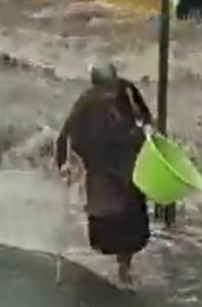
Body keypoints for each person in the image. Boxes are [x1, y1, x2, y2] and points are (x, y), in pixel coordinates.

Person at [54, 62, 154, 285]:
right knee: (111, 214)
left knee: (127, 214)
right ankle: (116, 263)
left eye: (110, 89)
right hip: (104, 163)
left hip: (124, 161)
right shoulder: (87, 103)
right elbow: (65, 136)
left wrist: (148, 133)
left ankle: (124, 268)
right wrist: (63, 162)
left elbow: (145, 118)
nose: (107, 95)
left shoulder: (123, 92)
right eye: (104, 90)